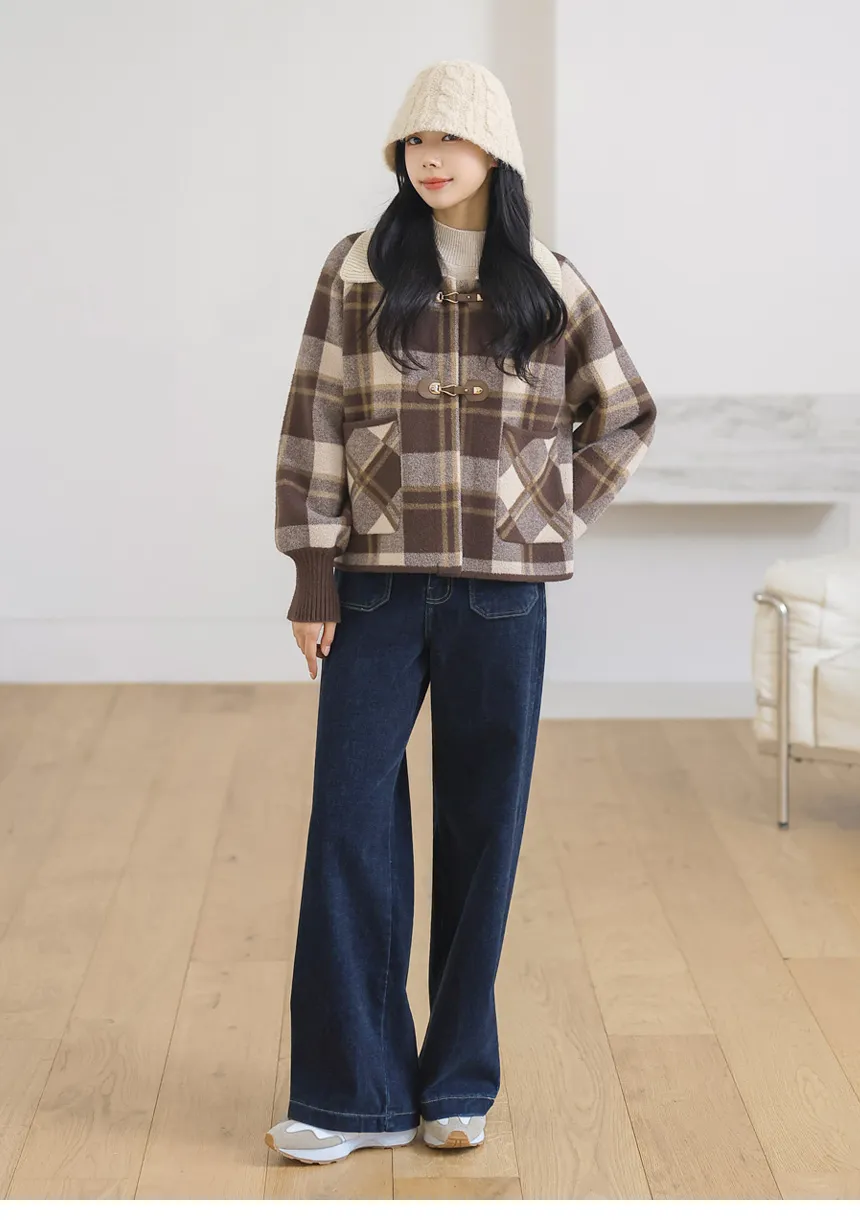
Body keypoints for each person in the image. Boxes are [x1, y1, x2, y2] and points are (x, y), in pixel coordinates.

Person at [265, 59, 657, 1165]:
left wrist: (551, 511)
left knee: (485, 831)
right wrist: (310, 572)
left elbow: (625, 414)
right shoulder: (356, 267)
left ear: (495, 153)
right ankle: (349, 1096)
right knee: (348, 821)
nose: (429, 159)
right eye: (414, 142)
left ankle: (455, 1083)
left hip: (502, 598)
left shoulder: (548, 281)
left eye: (451, 140)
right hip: (375, 586)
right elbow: (312, 415)